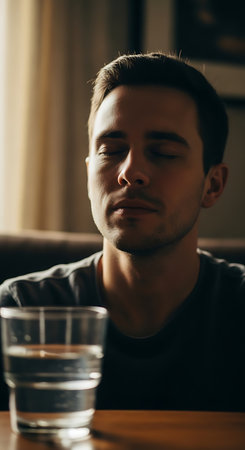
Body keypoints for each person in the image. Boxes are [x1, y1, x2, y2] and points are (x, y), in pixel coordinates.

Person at [0, 52, 244, 412]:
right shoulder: (23, 310)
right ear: (88, 174)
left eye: (163, 152)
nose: (130, 172)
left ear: (213, 184)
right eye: (111, 150)